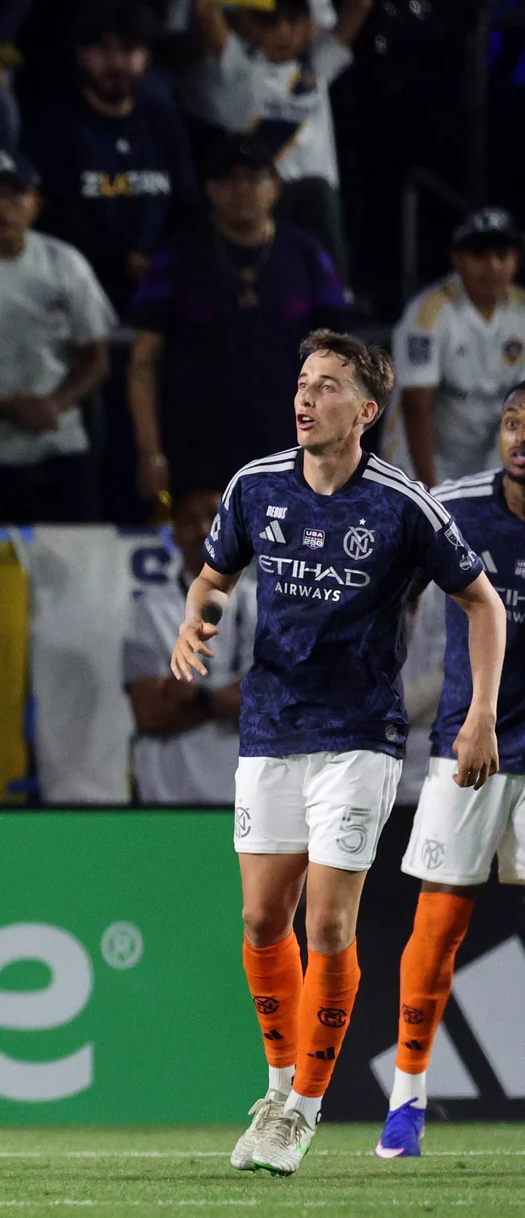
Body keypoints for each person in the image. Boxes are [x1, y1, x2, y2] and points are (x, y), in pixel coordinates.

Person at [171, 330, 504, 1176]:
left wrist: (480, 716)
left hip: (359, 737)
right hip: (270, 727)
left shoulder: (401, 503)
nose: (305, 397)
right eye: (301, 381)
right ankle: (279, 1085)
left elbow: (484, 604)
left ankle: (305, 1111)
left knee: (327, 921)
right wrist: (196, 621)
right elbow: (214, 577)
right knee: (259, 919)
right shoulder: (256, 486)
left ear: (365, 411)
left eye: (325, 386)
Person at [378, 385, 525, 1158]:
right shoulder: (456, 506)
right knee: (438, 924)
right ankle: (407, 1101)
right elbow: (391, 588)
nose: (519, 438)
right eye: (511, 423)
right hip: (472, 743)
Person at [127, 136, 353, 511]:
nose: (240, 189)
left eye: (252, 178)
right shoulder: (175, 257)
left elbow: (345, 359)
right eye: (227, 179)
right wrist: (150, 452)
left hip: (290, 448)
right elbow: (142, 363)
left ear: (275, 186)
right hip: (196, 454)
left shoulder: (306, 254)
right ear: (210, 189)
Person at [0, 148, 116, 524]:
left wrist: (55, 403)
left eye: (15, 195)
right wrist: (7, 407)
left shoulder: (65, 264)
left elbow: (96, 358)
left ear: (36, 204)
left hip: (57, 455)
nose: (2, 208)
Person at [25, 0, 199, 313]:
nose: (116, 63)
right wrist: (120, 261)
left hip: (162, 287)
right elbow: (56, 219)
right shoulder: (55, 128)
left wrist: (160, 260)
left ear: (146, 56)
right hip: (80, 290)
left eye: (128, 50)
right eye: (103, 51)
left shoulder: (164, 123)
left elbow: (186, 208)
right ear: (82, 56)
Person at [181, 0, 373, 278]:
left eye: (294, 21)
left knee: (316, 190)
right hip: (258, 206)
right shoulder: (238, 67)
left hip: (317, 212)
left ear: (308, 25)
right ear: (246, 22)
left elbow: (360, 6)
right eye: (270, 21)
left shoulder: (317, 67)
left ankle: (335, 300)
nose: (284, 32)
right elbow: (206, 10)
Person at [124, 488, 254, 804]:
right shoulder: (149, 610)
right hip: (170, 795)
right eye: (190, 521)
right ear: (175, 535)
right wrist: (231, 697)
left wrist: (199, 694)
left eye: (213, 518)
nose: (203, 530)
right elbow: (150, 716)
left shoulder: (267, 605)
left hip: (248, 799)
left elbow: (271, 712)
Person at [392, 208, 525, 486]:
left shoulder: (521, 310)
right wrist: (433, 494)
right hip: (423, 464)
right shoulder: (427, 314)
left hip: (488, 462)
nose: (492, 266)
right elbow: (417, 409)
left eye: (502, 255)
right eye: (480, 255)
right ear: (458, 259)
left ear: (516, 261)